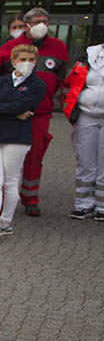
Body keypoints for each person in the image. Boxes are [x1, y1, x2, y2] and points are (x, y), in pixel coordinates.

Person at [0, 6, 67, 216]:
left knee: (34, 157)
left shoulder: (58, 47)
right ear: (26, 25)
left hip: (40, 114)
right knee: (7, 157)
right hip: (10, 115)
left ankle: (30, 198)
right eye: (36, 21)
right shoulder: (9, 47)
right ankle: (3, 198)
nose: (41, 25)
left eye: (45, 21)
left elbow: (59, 79)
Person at [0, 44, 45, 241]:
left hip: (18, 138)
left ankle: (5, 221)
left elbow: (23, 105)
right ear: (13, 61)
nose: (27, 63)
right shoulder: (1, 82)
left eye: (31, 60)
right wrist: (11, 111)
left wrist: (0, 108)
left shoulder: (37, 85)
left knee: (10, 181)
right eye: (23, 59)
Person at [63, 40, 104, 220]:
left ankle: (102, 206)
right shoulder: (89, 56)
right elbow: (72, 82)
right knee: (85, 160)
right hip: (86, 115)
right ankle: (83, 204)